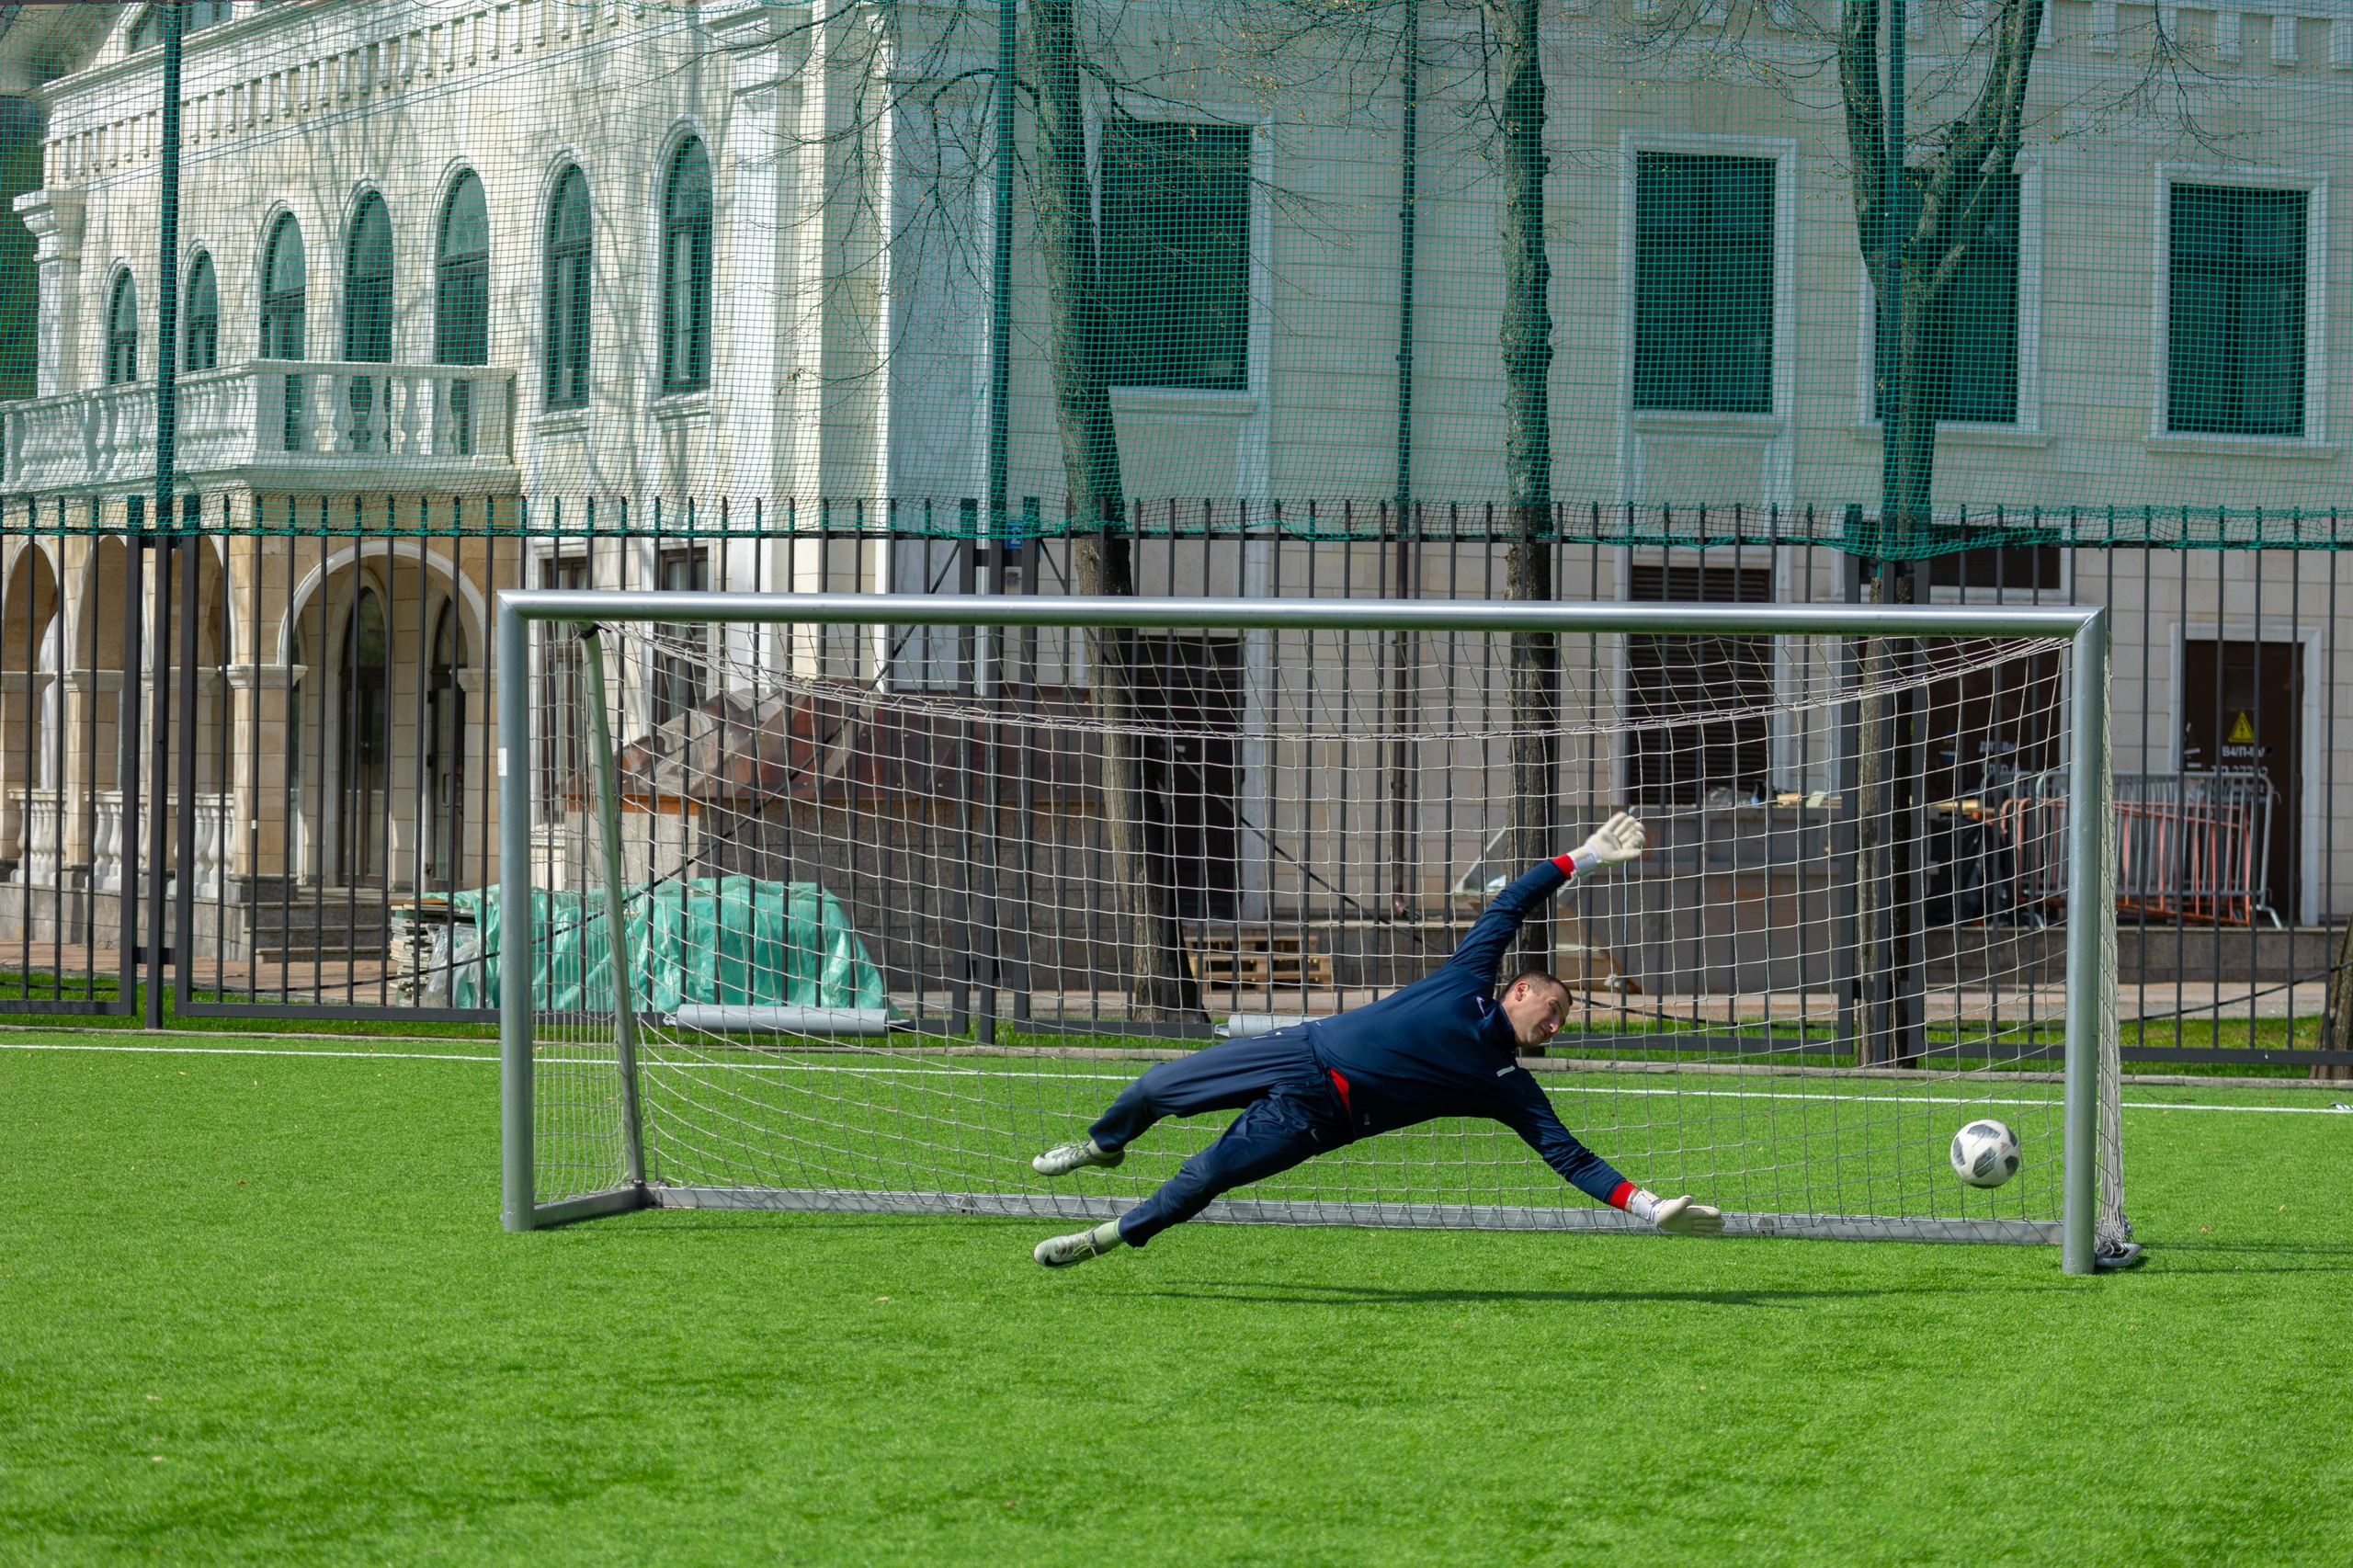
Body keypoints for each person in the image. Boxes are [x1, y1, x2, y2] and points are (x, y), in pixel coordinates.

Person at [1029, 811, 1724, 1267]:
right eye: (1554, 1007)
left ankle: (1101, 1239)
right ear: (1518, 990)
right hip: (1296, 1048)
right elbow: (1510, 903)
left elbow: (1569, 1157)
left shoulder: (1507, 1086)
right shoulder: (1467, 977)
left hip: (1316, 1118)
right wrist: (1586, 856)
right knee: (1153, 1086)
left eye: (1563, 1021)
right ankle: (1103, 1145)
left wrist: (1649, 1207)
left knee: (1204, 1177)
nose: (1556, 1023)